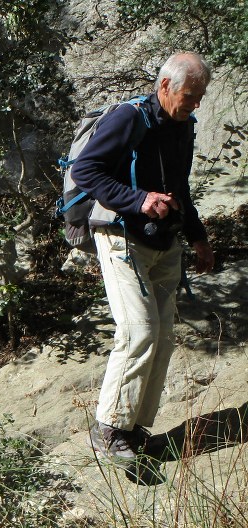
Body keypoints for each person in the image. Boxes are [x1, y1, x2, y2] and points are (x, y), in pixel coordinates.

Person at [71, 51, 215, 464]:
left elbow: (180, 187)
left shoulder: (182, 126)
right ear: (165, 86)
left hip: (163, 240)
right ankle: (108, 429)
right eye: (191, 95)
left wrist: (198, 238)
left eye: (201, 96)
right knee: (139, 330)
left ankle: (134, 430)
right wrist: (138, 199)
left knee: (163, 337)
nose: (196, 103)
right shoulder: (129, 118)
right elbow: (86, 171)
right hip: (120, 236)